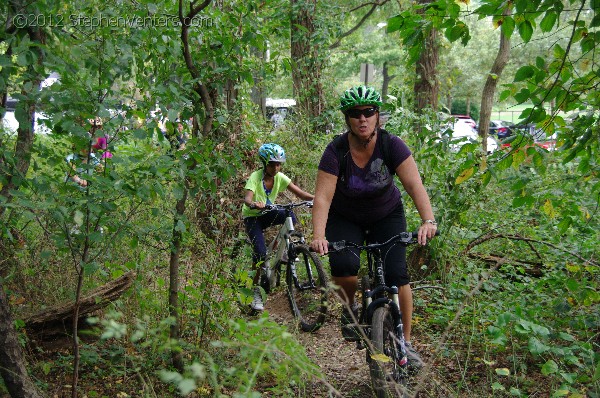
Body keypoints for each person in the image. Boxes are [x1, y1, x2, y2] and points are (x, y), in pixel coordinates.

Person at [309, 86, 437, 369]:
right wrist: (319, 235)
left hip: (386, 214)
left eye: (369, 112)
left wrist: (428, 220)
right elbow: (323, 197)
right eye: (355, 114)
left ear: (378, 116)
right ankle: (349, 308)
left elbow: (414, 185)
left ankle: (405, 343)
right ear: (348, 119)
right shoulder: (336, 151)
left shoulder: (392, 145)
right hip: (346, 217)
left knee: (397, 275)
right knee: (344, 266)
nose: (362, 119)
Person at [242, 143, 314, 311]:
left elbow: (301, 194)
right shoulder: (256, 177)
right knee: (260, 254)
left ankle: (289, 247)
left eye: (279, 164)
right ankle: (255, 292)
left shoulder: (280, 177)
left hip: (268, 213)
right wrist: (254, 204)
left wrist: (319, 198)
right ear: (264, 163)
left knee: (288, 213)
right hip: (253, 217)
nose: (276, 167)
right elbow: (247, 198)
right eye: (272, 164)